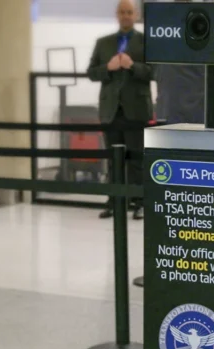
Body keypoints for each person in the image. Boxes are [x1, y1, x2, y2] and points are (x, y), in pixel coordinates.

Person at [87, 0, 153, 220]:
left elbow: (155, 72)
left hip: (136, 110)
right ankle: (115, 201)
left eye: (129, 12)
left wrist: (132, 66)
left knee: (137, 159)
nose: (125, 15)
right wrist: (108, 68)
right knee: (113, 159)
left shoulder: (146, 42)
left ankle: (140, 202)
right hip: (111, 110)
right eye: (122, 12)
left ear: (136, 15)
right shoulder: (103, 43)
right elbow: (91, 72)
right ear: (117, 15)